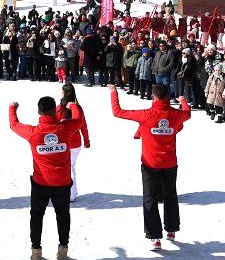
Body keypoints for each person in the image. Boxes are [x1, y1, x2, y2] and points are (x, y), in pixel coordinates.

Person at [109, 83, 191, 251]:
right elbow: (187, 115)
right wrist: (183, 101)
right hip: (170, 163)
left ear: (153, 97)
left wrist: (113, 92)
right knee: (170, 195)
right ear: (167, 96)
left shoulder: (146, 114)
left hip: (150, 163)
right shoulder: (176, 115)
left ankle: (155, 236)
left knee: (150, 198)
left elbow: (118, 112)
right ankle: (171, 229)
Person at [9, 95, 84, 260]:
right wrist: (73, 105)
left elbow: (14, 125)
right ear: (54, 111)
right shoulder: (65, 129)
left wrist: (12, 108)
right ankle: (63, 250)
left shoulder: (33, 132)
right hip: (62, 183)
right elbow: (79, 119)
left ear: (39, 111)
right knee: (63, 215)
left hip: (40, 183)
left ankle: (36, 251)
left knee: (36, 216)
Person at [56, 83, 90, 202]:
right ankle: (69, 192)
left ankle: (69, 193)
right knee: (70, 167)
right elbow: (83, 125)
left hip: (65, 144)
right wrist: (86, 140)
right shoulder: (77, 108)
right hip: (75, 144)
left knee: (67, 168)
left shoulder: (61, 108)